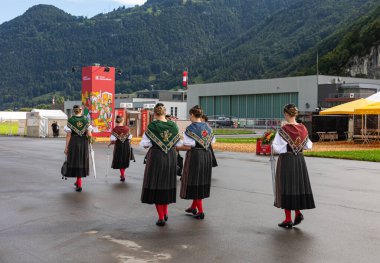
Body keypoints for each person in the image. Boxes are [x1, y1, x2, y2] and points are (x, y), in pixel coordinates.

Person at [272, 104, 315, 228]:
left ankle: (288, 219)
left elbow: (276, 147)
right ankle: (297, 213)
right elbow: (309, 146)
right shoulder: (303, 129)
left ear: (286, 114)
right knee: (297, 186)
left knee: (286, 186)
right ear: (295, 114)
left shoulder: (283, 130)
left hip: (287, 159)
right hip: (299, 160)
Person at [140, 103, 182, 226]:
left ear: (155, 113)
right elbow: (178, 144)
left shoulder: (152, 126)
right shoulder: (173, 126)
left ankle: (161, 217)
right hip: (170, 156)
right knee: (167, 183)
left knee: (157, 184)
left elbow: (144, 144)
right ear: (164, 112)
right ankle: (166, 212)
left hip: (156, 156)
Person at [177, 106, 216, 220]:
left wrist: (176, 148)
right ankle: (193, 207)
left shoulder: (190, 128)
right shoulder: (208, 127)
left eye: (190, 115)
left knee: (194, 181)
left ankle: (201, 211)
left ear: (193, 115)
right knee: (201, 180)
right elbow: (212, 141)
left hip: (195, 156)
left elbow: (188, 146)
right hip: (207, 155)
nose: (190, 117)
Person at [63, 105, 93, 192]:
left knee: (75, 161)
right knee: (81, 161)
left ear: (73, 111)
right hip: (83, 142)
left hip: (73, 142)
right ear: (81, 110)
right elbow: (89, 134)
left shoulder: (71, 120)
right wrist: (91, 141)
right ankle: (78, 182)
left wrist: (66, 147)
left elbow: (68, 135)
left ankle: (78, 184)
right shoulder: (85, 120)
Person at [108, 115, 133, 182]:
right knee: (124, 159)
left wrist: (111, 143)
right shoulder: (127, 128)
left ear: (116, 121)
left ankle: (122, 174)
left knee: (120, 159)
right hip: (126, 146)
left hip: (118, 146)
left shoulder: (114, 129)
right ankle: (122, 174)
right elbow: (130, 138)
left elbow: (113, 140)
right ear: (123, 120)